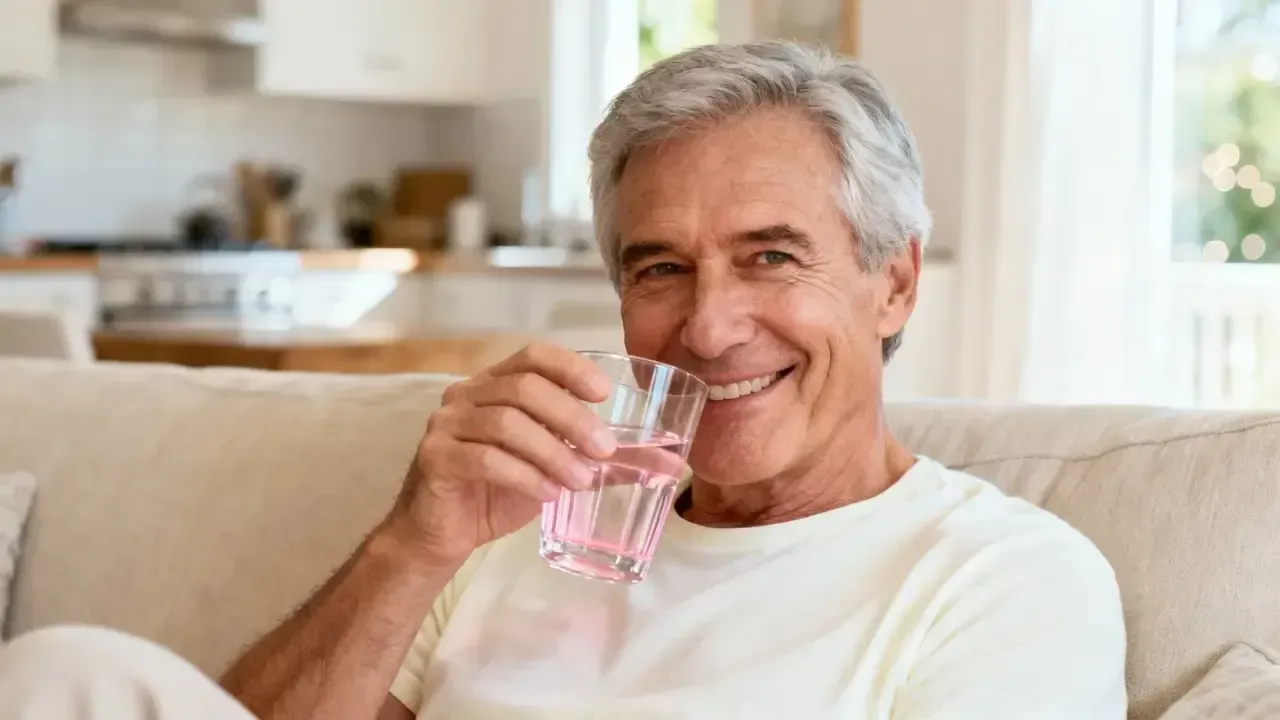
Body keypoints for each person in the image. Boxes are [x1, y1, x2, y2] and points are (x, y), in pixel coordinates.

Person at [0, 41, 1127, 719]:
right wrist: (412, 545)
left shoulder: (1001, 577)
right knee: (73, 672)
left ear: (893, 284)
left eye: (770, 256)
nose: (708, 323)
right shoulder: (520, 517)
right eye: (658, 268)